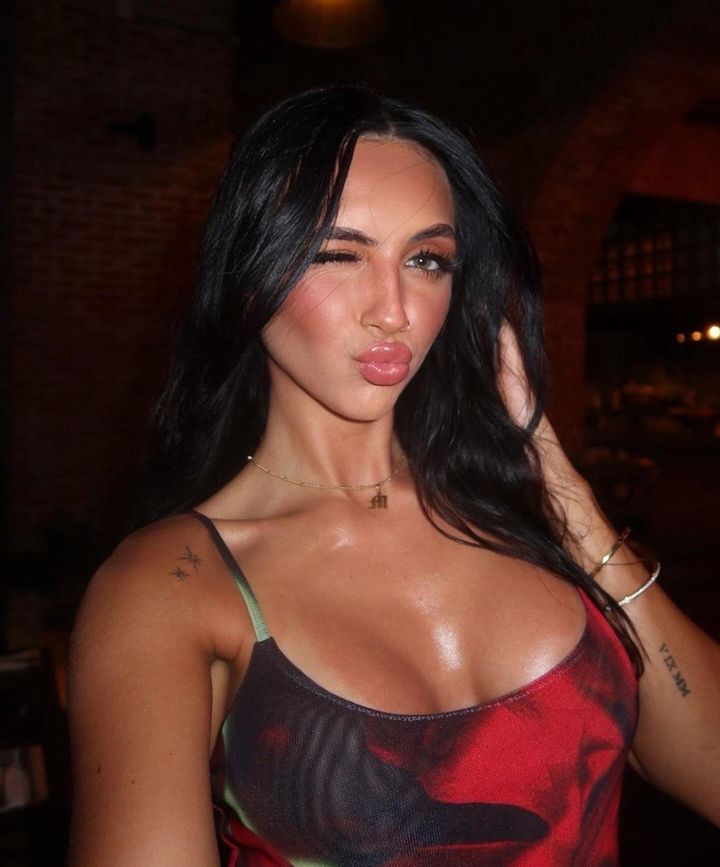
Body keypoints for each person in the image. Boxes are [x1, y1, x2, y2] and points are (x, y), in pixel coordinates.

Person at [67, 86, 720, 867]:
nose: (395, 309)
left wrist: (562, 488)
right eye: (338, 253)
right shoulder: (171, 586)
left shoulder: (524, 513)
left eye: (426, 259)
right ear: (249, 276)